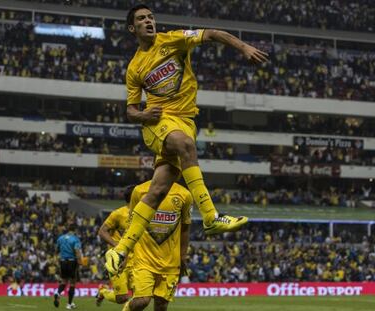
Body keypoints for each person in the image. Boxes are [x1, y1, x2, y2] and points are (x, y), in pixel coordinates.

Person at [105, 4, 268, 276]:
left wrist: (243, 47)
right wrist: (144, 114)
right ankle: (211, 215)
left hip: (186, 121)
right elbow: (130, 110)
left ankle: (119, 250)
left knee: (157, 191)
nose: (149, 21)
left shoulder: (175, 39)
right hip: (158, 123)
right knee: (186, 145)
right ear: (132, 29)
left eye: (151, 17)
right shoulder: (134, 67)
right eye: (142, 19)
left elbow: (213, 33)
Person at [122, 180, 191, 311]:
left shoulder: (185, 194)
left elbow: (185, 228)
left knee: (161, 305)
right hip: (143, 260)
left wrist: (183, 257)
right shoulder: (139, 191)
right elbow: (131, 226)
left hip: (170, 263)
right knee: (142, 301)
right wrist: (124, 252)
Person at [96, 186, 135, 306]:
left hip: (137, 260)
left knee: (140, 297)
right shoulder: (118, 213)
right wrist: (117, 245)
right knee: (122, 298)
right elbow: (102, 231)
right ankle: (103, 291)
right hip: (119, 259)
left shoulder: (143, 213)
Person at [53, 223, 87, 309]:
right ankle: (69, 304)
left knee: (64, 281)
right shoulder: (75, 239)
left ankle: (58, 293)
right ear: (75, 230)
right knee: (72, 283)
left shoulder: (60, 238)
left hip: (63, 261)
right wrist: (80, 262)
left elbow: (56, 250)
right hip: (72, 262)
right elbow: (77, 251)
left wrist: (56, 259)